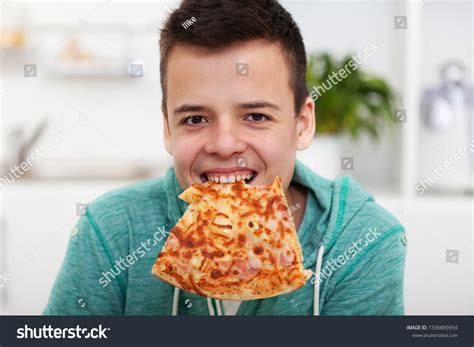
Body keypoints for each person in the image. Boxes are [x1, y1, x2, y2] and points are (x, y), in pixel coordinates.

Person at [44, 0, 406, 316]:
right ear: (169, 129)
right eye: (196, 119)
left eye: (256, 116)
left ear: (303, 124)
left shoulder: (362, 240)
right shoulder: (112, 230)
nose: (224, 144)